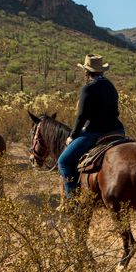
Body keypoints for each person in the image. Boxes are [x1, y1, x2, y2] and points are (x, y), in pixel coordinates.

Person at [57, 54, 125, 200]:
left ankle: (72, 200)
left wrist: (73, 136)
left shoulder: (88, 88)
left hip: (96, 132)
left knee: (63, 161)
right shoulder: (110, 86)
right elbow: (116, 111)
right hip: (118, 130)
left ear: (86, 72)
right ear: (102, 71)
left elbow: (81, 116)